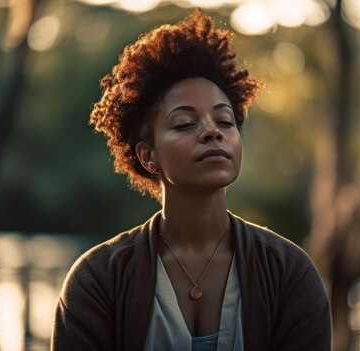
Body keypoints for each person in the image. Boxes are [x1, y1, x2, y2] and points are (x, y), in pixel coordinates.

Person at [51, 9, 331, 351]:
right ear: (147, 155)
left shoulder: (290, 275)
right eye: (185, 123)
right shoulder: (98, 281)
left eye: (225, 122)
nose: (212, 132)